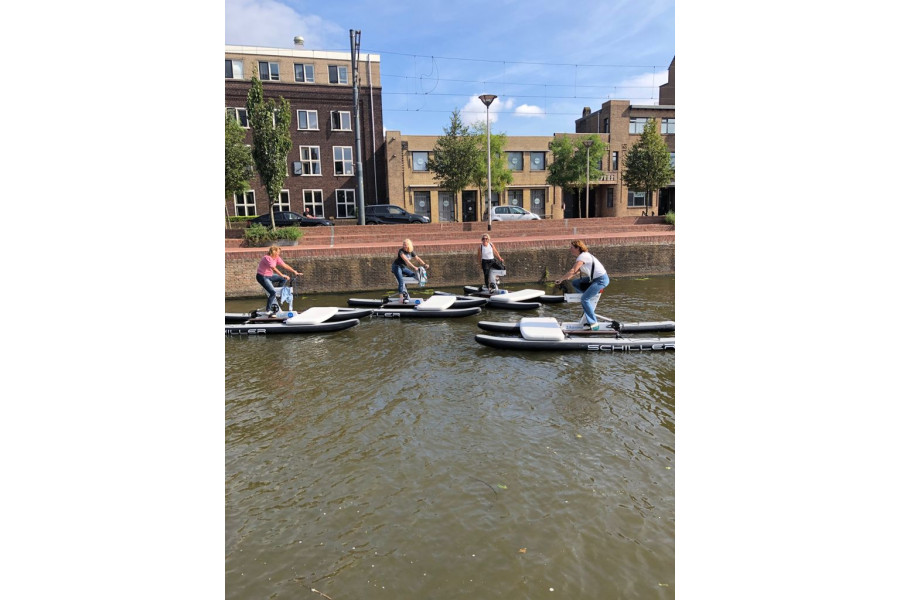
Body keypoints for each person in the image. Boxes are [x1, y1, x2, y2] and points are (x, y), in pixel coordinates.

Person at [555, 240, 610, 331]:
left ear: (578, 248)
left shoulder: (582, 257)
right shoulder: (584, 256)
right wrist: (568, 277)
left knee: (584, 299)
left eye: (572, 247)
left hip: (601, 280)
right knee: (576, 283)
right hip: (594, 279)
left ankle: (593, 322)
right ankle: (587, 297)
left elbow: (573, 270)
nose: (570, 249)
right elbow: (576, 271)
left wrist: (561, 279)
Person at [256, 245, 301, 312]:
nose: (279, 253)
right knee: (272, 292)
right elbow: (273, 268)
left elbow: (285, 265)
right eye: (278, 252)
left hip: (269, 275)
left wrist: (294, 271)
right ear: (274, 252)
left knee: (283, 279)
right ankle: (268, 310)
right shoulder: (267, 258)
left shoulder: (277, 257)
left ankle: (278, 295)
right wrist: (282, 275)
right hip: (262, 277)